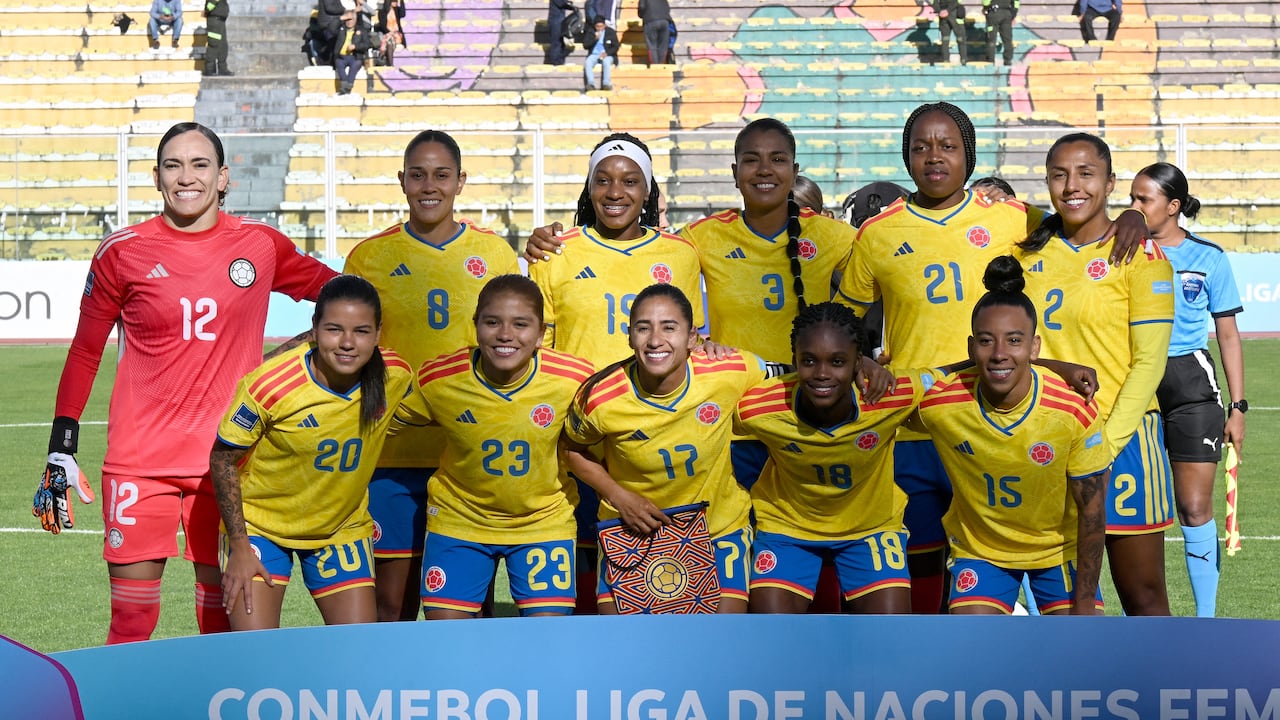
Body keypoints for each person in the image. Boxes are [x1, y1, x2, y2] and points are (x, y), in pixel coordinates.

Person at [834, 102, 1146, 614]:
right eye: (921, 147)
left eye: (948, 146)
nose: (935, 157)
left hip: (998, 425)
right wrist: (864, 359)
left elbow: (1080, 219)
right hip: (916, 426)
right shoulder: (878, 233)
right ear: (906, 158)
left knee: (1011, 550)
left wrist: (1131, 214)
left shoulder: (1010, 216)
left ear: (969, 155)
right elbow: (842, 318)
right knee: (921, 572)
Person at [31, 122, 336, 645]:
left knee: (223, 621)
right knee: (130, 623)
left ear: (223, 178)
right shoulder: (121, 251)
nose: (186, 176)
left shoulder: (260, 245)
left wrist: (297, 348)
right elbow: (84, 350)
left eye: (199, 165)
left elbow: (342, 296)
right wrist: (63, 444)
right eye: (173, 165)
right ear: (156, 177)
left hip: (230, 462)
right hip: (139, 462)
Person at [343, 130, 519, 621]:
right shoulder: (368, 258)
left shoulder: (496, 255)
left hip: (468, 455)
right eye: (417, 174)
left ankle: (466, 697)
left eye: (442, 175)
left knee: (466, 606)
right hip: (390, 455)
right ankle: (391, 698)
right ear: (401, 181)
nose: (429, 185)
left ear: (461, 181)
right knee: (390, 604)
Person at [526, 132, 704, 614]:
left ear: (648, 191)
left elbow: (693, 344)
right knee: (582, 579)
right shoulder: (554, 253)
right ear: (588, 189)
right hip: (575, 440)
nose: (615, 191)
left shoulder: (680, 255)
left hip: (649, 442)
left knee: (657, 586)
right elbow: (538, 350)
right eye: (602, 180)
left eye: (630, 181)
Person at [1016, 132, 1175, 616]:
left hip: (1122, 445)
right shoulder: (1027, 251)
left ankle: (1162, 692)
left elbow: (1149, 363)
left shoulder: (1141, 257)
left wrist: (1105, 445)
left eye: (1086, 173)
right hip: (1049, 445)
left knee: (1143, 596)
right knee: (1067, 604)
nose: (1071, 186)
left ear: (1110, 183)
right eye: (1059, 175)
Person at [210, 275, 412, 630]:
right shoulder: (270, 386)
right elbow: (222, 457)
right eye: (334, 329)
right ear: (314, 329)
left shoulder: (395, 376)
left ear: (379, 334)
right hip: (261, 528)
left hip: (341, 529)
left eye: (361, 331)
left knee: (357, 653)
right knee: (255, 655)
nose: (348, 343)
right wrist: (240, 546)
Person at [561, 284, 772, 614]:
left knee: (720, 644)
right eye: (643, 328)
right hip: (630, 531)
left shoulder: (728, 371)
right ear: (630, 336)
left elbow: (804, 371)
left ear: (692, 338)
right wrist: (619, 497)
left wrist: (861, 366)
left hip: (717, 528)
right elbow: (571, 449)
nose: (655, 340)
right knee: (629, 652)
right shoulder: (600, 398)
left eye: (669, 327)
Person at [917, 256, 1110, 615]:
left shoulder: (1071, 409)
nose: (1000, 353)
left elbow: (1093, 514)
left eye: (1014, 340)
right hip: (981, 552)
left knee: (1080, 658)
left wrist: (1084, 608)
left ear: (1035, 347)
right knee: (974, 653)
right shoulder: (940, 403)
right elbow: (890, 388)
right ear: (971, 347)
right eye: (987, 342)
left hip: (1058, 551)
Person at [393, 275, 593, 618]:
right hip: (459, 522)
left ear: (541, 334)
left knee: (547, 641)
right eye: (492, 322)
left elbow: (625, 410)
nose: (505, 335)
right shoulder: (439, 380)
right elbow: (379, 421)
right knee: (449, 644)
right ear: (475, 326)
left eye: (520, 324)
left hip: (542, 524)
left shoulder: (575, 379)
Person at [737, 303, 951, 614]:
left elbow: (956, 372)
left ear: (857, 364)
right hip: (787, 530)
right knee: (774, 642)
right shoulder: (756, 408)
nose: (822, 374)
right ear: (794, 359)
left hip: (870, 529)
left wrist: (1030, 360)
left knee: (889, 644)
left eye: (837, 362)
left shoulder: (890, 393)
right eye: (809, 361)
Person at [1129, 162, 1245, 617]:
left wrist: (1237, 407)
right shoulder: (1121, 252)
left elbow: (1229, 335)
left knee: (1194, 507)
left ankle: (1205, 622)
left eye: (1145, 199)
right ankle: (1136, 614)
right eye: (1132, 198)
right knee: (1131, 508)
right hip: (1133, 381)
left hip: (1190, 384)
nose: (1134, 207)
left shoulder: (1209, 258)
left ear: (1173, 206)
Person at [333, 9, 373, 95]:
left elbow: (367, 44)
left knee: (355, 65)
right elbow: (330, 28)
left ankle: (348, 86)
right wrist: (341, 18)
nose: (349, 22)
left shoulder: (362, 30)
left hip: (355, 56)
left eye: (350, 19)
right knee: (339, 63)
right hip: (341, 56)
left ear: (355, 20)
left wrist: (355, 46)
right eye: (347, 20)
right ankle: (345, 85)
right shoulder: (341, 29)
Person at [582, 16, 619, 91]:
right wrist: (595, 39)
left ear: (604, 25)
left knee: (606, 62)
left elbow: (616, 46)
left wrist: (607, 53)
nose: (599, 28)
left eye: (601, 26)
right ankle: (590, 83)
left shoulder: (610, 32)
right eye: (597, 26)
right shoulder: (590, 32)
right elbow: (585, 45)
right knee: (588, 62)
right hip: (594, 54)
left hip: (607, 54)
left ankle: (606, 83)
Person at [982, 0, 1018, 65]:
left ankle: (990, 61)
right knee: (1007, 39)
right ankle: (1008, 61)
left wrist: (985, 8)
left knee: (991, 39)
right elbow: (1016, 2)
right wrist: (1014, 13)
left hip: (993, 13)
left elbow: (986, 1)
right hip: (1007, 13)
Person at [932, 0, 967, 64]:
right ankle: (963, 60)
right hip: (955, 14)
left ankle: (946, 61)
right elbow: (959, 1)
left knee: (945, 40)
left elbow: (934, 2)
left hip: (943, 16)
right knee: (961, 39)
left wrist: (940, 11)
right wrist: (948, 10)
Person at [202, 0, 232, 75]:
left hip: (220, 22)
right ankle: (209, 69)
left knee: (223, 46)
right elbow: (208, 7)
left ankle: (223, 69)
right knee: (213, 44)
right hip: (214, 21)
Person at [638, 0, 671, 66]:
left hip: (650, 21)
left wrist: (641, 15)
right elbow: (667, 8)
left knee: (652, 45)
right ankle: (661, 64)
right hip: (664, 21)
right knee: (663, 45)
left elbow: (642, 7)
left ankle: (655, 66)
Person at [374, 0, 406, 66]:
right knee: (389, 42)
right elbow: (383, 26)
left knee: (390, 40)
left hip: (397, 34)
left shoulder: (397, 10)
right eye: (394, 1)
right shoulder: (382, 12)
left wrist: (402, 1)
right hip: (387, 33)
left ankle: (383, 57)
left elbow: (403, 14)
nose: (396, 3)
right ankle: (390, 64)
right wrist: (390, 33)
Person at [546, 0, 572, 65]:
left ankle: (560, 61)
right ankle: (555, 62)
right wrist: (572, 7)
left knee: (561, 42)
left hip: (560, 21)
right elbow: (561, 4)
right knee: (556, 43)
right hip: (555, 22)